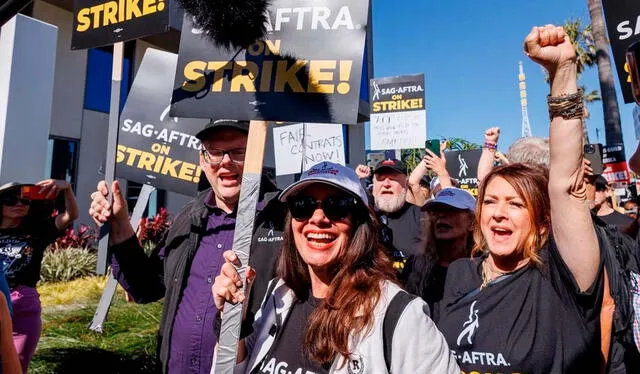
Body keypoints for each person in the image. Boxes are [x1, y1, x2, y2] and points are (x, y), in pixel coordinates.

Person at [436, 25, 605, 373]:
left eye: (515, 204)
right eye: (490, 201)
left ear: (543, 220)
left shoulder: (561, 276)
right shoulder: (460, 274)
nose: (498, 213)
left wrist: (563, 72)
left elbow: (566, 186)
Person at [212, 161, 459, 373]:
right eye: (303, 206)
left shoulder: (400, 315)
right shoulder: (279, 294)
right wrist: (233, 319)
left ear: (360, 224)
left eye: (337, 206)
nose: (317, 219)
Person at [89, 119, 286, 374]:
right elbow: (146, 286)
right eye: (215, 152)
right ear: (203, 161)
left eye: (239, 152)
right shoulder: (188, 216)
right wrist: (120, 224)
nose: (225, 162)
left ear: (256, 157)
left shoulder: (285, 218)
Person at [0, 180, 79, 372]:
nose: (18, 204)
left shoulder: (37, 232)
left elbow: (71, 215)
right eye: (10, 200)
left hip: (24, 308)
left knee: (17, 366)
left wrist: (67, 189)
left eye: (24, 200)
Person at [402, 187, 475, 322]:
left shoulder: (483, 268)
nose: (441, 215)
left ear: (471, 222)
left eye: (451, 211)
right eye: (436, 211)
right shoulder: (415, 265)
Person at [370, 159, 423, 258]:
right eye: (380, 178)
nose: (386, 184)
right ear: (374, 185)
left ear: (406, 184)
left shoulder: (422, 217)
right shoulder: (364, 218)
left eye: (393, 178)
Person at [406, 140, 453, 206]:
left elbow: (448, 191)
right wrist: (431, 156)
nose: (443, 187)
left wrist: (442, 171)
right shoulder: (424, 206)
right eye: (440, 185)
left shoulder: (454, 207)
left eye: (452, 184)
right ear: (432, 190)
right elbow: (413, 182)